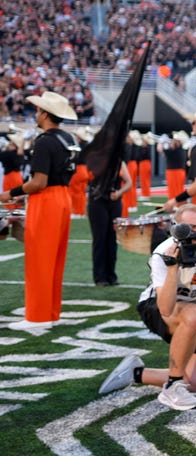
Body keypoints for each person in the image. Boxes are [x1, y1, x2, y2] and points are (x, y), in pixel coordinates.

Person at [98, 203, 196, 411]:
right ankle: (172, 386)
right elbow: (165, 308)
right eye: (192, 227)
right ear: (176, 228)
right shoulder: (162, 253)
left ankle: (137, 373)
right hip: (157, 307)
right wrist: (173, 268)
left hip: (193, 312)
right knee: (194, 314)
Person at [0, 91, 79, 330]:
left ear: (44, 113)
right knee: (55, 258)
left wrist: (10, 194)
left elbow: (39, 182)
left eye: (37, 110)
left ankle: (37, 316)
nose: (35, 114)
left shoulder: (44, 141)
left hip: (46, 199)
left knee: (39, 258)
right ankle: (51, 312)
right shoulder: (67, 138)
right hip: (63, 197)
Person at [87, 159, 132, 287]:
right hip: (97, 201)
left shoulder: (119, 162)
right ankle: (100, 277)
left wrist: (118, 193)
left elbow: (129, 182)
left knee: (112, 239)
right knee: (100, 239)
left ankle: (111, 275)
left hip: (114, 201)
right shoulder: (95, 160)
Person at [156, 131, 188, 201]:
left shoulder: (176, 151)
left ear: (178, 142)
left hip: (174, 172)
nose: (172, 141)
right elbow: (165, 153)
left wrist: (161, 142)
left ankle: (176, 206)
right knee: (176, 190)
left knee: (174, 191)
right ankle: (176, 206)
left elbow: (160, 149)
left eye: (174, 140)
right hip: (177, 172)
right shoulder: (179, 150)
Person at [69, 127, 92, 218]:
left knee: (75, 192)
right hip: (85, 170)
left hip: (78, 170)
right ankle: (81, 211)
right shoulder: (87, 145)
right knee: (82, 192)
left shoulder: (79, 146)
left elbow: (74, 158)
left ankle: (76, 212)